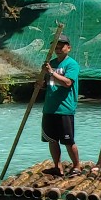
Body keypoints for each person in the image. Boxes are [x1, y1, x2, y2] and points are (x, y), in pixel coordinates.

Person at [38, 36, 81, 172]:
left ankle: (76, 166)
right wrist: (41, 84)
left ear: (68, 48)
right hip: (50, 107)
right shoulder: (51, 63)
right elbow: (48, 84)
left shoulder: (71, 64)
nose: (58, 49)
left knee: (68, 140)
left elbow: (67, 83)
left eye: (61, 46)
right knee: (52, 139)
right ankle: (57, 166)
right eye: (56, 47)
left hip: (64, 108)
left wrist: (51, 72)